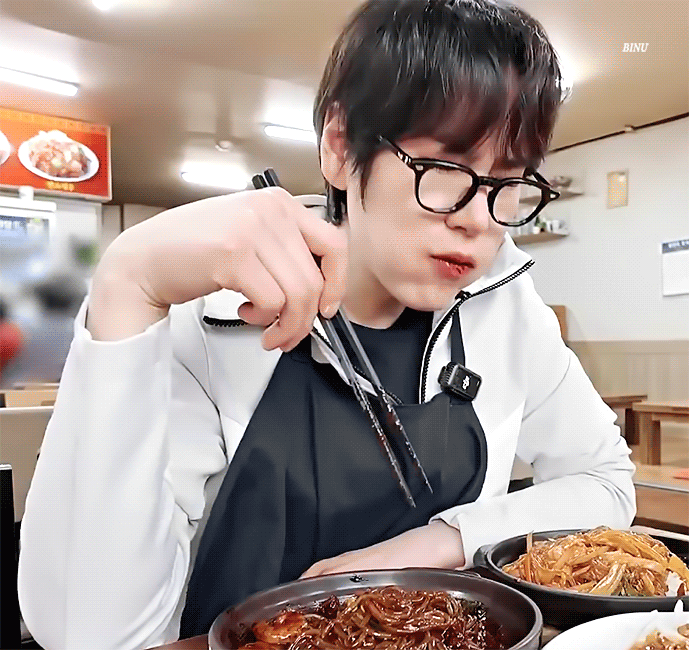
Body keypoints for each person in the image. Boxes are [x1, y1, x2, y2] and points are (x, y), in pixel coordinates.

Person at [18, 1, 636, 648]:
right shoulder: (212, 319)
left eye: (506, 182)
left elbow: (605, 480)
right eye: (445, 169)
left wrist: (441, 541)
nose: (478, 220)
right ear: (340, 147)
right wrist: (128, 282)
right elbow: (90, 633)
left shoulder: (504, 304)